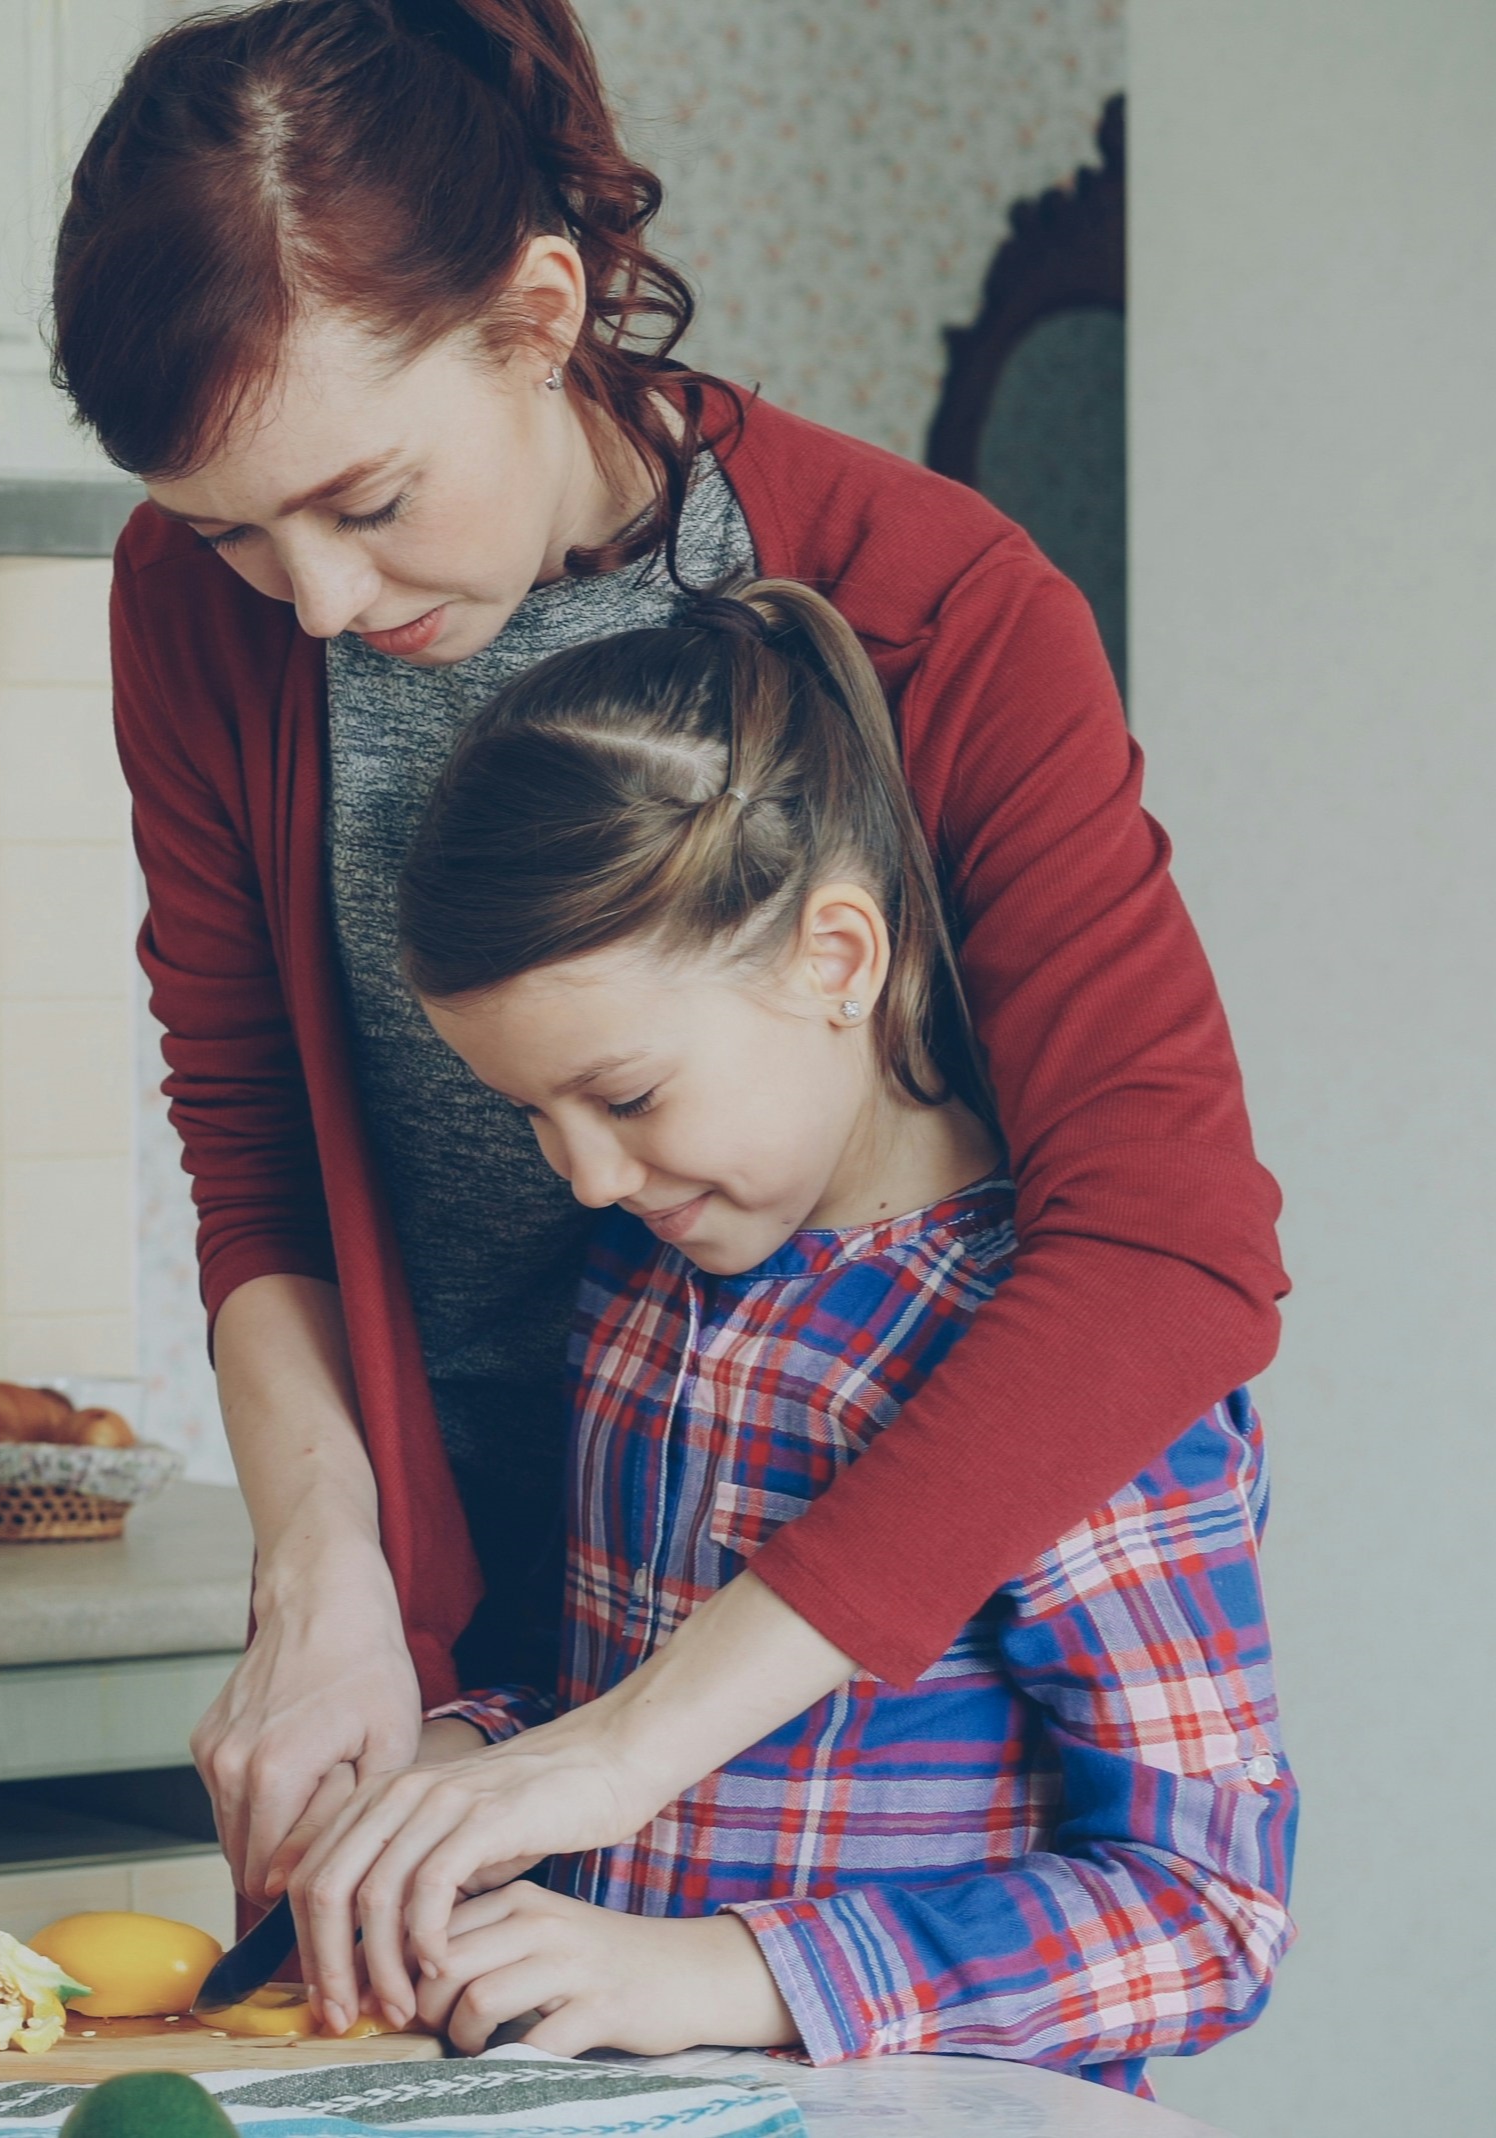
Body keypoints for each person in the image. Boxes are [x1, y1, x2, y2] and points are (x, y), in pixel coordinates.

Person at [45, 0, 1286, 2029]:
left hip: (841, 1684)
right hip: (501, 1659)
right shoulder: (200, 613)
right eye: (228, 532)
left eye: (364, 500)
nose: (315, 603)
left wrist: (633, 1743)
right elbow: (249, 1134)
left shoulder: (934, 603)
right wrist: (327, 1579)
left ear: (539, 316)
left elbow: (1167, 1251)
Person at [361, 578, 1292, 2087]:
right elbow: (605, 1689)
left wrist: (724, 1972)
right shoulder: (646, 1282)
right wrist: (456, 1764)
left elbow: (1207, 1911)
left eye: (627, 1097)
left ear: (837, 959)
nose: (587, 1175)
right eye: (529, 1114)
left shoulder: (1066, 1369)